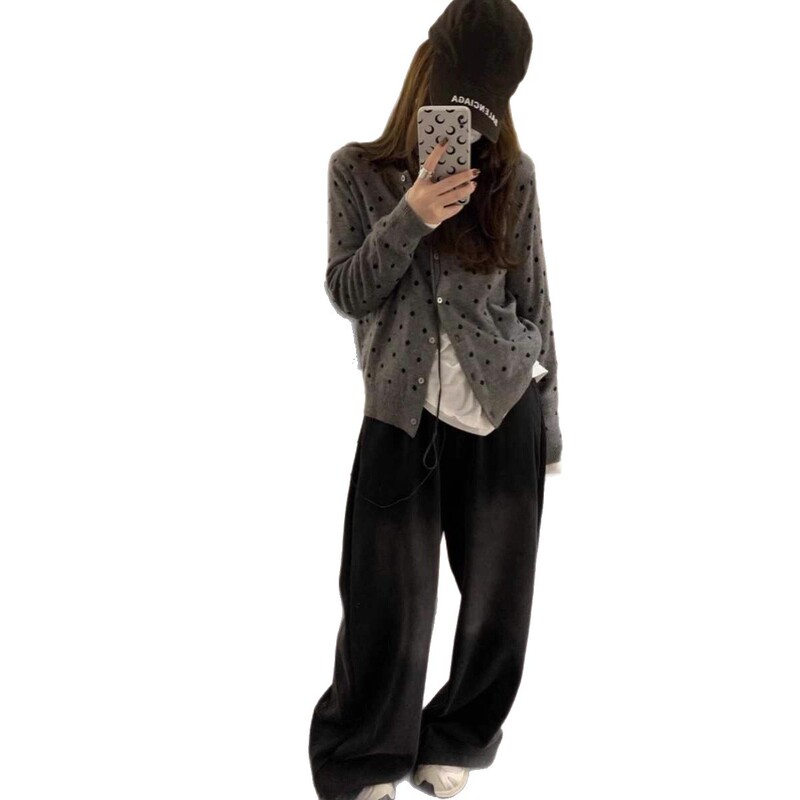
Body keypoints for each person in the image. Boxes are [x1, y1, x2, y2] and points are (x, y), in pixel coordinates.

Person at [308, 1, 563, 798]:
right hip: (400, 411)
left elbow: (535, 301)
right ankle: (364, 754)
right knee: (384, 599)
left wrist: (552, 425)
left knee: (497, 602)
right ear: (428, 78)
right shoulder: (355, 170)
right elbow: (348, 292)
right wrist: (410, 216)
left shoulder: (512, 175)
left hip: (504, 406)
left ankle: (456, 736)